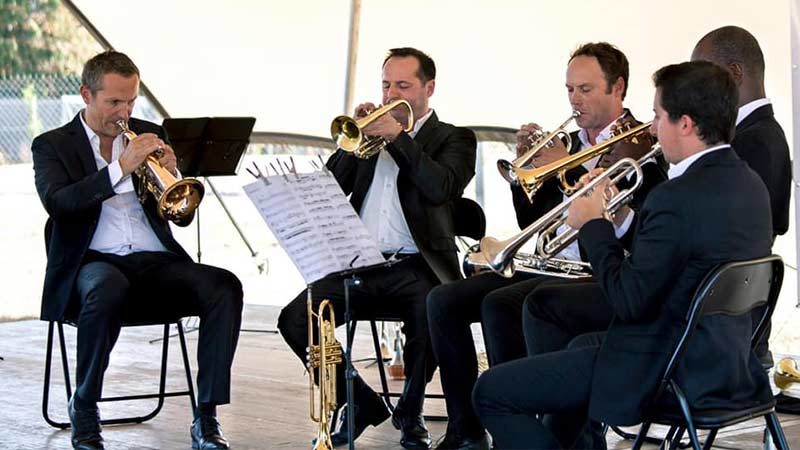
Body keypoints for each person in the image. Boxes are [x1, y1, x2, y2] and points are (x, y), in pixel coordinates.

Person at [473, 60, 774, 450]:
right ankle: (577, 440)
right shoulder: (749, 184)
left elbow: (628, 300)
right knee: (547, 305)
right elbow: (675, 253)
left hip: (663, 363)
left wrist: (593, 224)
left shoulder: (675, 196)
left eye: (657, 115)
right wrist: (618, 216)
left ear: (685, 124)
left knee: (491, 391)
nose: (651, 128)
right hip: (726, 359)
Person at [426, 42, 663, 450]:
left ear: (618, 87)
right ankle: (467, 429)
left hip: (594, 271)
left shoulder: (640, 144)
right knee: (444, 301)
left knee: (499, 306)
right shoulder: (566, 143)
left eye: (585, 90)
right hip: (548, 264)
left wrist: (566, 168)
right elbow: (531, 220)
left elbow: (635, 222)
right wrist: (527, 173)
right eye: (569, 89)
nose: (574, 100)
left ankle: (522, 421)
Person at [32, 51, 243, 450]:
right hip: (93, 262)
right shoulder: (52, 145)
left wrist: (172, 176)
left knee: (224, 285)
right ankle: (86, 411)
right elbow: (59, 203)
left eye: (130, 100)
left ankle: (207, 417)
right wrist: (119, 169)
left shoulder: (148, 132)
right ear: (86, 95)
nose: (124, 112)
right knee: (106, 287)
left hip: (154, 261)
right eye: (114, 102)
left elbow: (179, 217)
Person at [277, 47, 477, 449]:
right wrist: (352, 144)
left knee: (431, 309)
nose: (391, 94)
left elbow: (441, 186)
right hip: (360, 263)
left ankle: (411, 408)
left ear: (429, 88)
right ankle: (358, 400)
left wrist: (399, 139)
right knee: (296, 318)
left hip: (419, 265)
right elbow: (330, 188)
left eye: (403, 85)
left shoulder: (454, 138)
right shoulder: (369, 140)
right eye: (386, 84)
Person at [691, 25, 792, 366]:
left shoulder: (754, 141)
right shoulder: (756, 134)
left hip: (726, 324)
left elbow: (733, 237)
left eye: (703, 77)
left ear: (734, 74)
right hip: (730, 317)